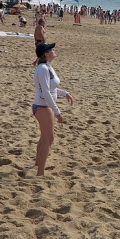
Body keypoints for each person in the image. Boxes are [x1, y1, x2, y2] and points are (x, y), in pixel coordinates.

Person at [32, 43, 73, 176]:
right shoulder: (43, 68)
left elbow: (52, 88)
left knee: (44, 137)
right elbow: (45, 92)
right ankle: (40, 173)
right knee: (48, 138)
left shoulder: (47, 67)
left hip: (43, 105)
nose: (54, 50)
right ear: (45, 53)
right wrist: (57, 112)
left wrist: (64, 93)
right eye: (52, 49)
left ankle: (38, 164)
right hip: (42, 106)